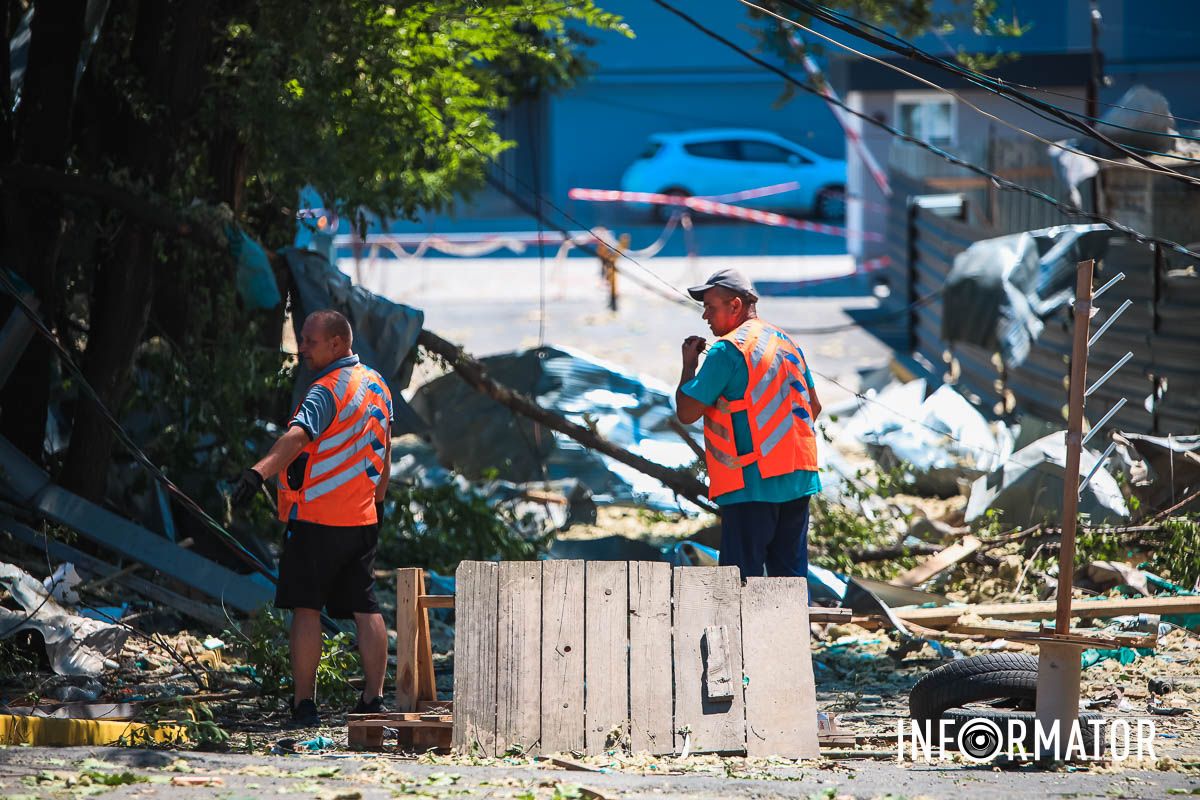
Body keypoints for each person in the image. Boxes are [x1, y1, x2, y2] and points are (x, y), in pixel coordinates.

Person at [231, 309, 393, 727]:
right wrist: (377, 502)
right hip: (362, 520)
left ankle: (305, 705)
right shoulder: (378, 386)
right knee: (365, 607)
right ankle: (373, 700)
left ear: (338, 344)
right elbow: (384, 449)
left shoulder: (326, 390)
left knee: (305, 610)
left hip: (317, 520)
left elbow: (298, 436)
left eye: (310, 341)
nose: (301, 347)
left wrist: (258, 473)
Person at [674, 268, 821, 580]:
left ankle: (741, 633)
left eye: (711, 307)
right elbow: (814, 406)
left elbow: (687, 411)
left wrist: (689, 366)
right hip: (798, 479)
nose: (705, 316)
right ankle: (792, 631)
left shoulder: (728, 350)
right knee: (790, 583)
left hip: (750, 483)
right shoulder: (787, 343)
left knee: (738, 584)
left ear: (735, 306)